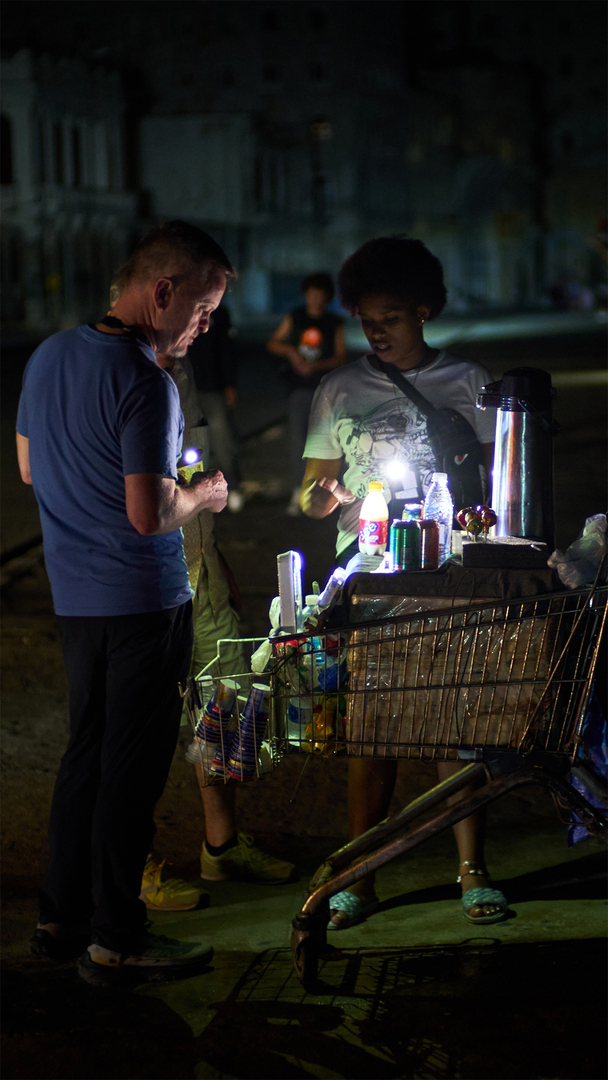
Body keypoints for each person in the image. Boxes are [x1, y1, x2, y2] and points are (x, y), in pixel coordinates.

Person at [17, 220, 234, 986]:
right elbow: (148, 515)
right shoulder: (146, 381)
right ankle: (117, 936)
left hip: (77, 600)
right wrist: (200, 496)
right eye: (203, 310)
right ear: (163, 292)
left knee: (84, 756)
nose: (205, 327)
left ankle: (58, 919)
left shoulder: (48, 356)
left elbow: (29, 469)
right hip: (143, 602)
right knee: (130, 771)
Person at [300, 236, 508, 930]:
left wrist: (485, 519)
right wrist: (325, 497)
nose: (376, 330)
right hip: (370, 580)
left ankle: (473, 869)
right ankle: (362, 871)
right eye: (365, 318)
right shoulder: (338, 387)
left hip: (451, 579)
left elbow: (500, 490)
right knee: (374, 729)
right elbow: (309, 497)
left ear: (424, 310)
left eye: (390, 316)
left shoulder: (470, 382)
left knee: (456, 723)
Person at [143, 347, 294, 904]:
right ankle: (131, 865)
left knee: (225, 703)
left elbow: (188, 470)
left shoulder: (182, 367)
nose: (209, 325)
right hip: (142, 581)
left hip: (199, 569)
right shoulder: (116, 369)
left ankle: (221, 847)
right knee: (138, 727)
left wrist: (214, 553)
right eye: (201, 306)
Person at [267, 272, 346, 515]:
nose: (314, 299)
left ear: (327, 297)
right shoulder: (297, 316)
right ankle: (297, 492)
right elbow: (273, 343)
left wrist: (315, 366)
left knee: (328, 444)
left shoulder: (334, 322)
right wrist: (292, 354)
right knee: (298, 443)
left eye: (319, 295)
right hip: (299, 389)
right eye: (311, 294)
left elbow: (341, 356)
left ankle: (328, 494)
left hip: (325, 391)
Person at [187, 303, 244, 512]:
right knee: (191, 444)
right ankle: (195, 493)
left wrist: (230, 383)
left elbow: (227, 348)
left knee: (223, 441)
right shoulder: (182, 307)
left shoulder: (219, 312)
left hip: (213, 386)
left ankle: (233, 487)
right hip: (186, 387)